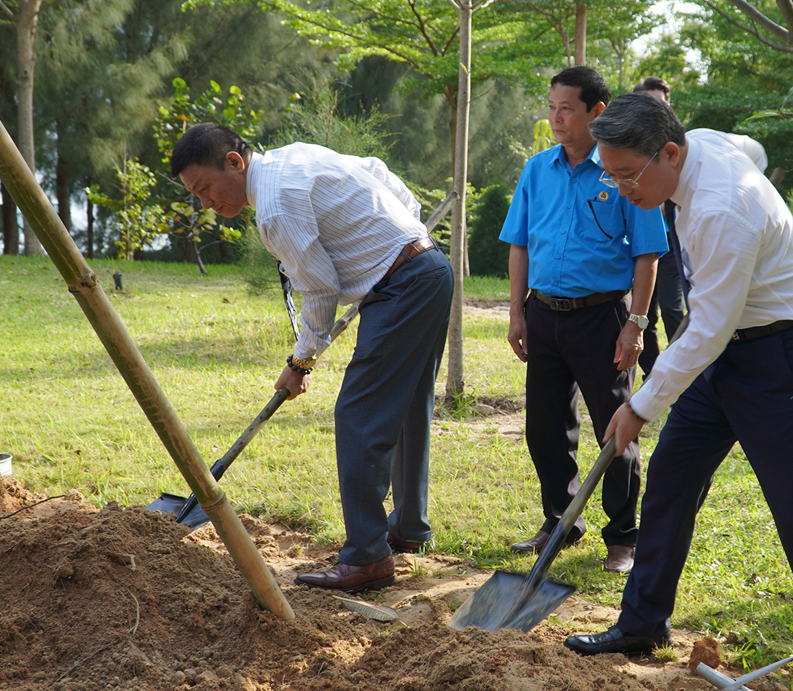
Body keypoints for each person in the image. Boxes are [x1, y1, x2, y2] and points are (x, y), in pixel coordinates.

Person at [564, 93, 793, 656]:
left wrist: (638, 406)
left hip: (782, 359)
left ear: (671, 153)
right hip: (726, 352)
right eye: (611, 176)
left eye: (629, 175)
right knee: (671, 483)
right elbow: (749, 147)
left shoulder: (721, 210)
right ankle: (640, 626)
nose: (624, 191)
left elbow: (705, 328)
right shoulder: (703, 146)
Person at [170, 123, 453, 594]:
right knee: (404, 407)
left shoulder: (275, 208)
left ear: (234, 163)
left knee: (358, 416)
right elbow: (376, 171)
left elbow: (319, 287)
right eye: (195, 195)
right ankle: (408, 527)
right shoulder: (290, 158)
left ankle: (367, 557)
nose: (206, 203)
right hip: (429, 271)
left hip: (403, 286)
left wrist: (301, 362)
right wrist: (404, 237)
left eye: (204, 188)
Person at [500, 67, 669, 574]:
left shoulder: (623, 170)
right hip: (544, 315)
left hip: (603, 318)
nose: (555, 117)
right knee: (544, 428)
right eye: (551, 107)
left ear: (597, 111)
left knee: (615, 427)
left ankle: (623, 536)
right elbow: (519, 243)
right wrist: (516, 313)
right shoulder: (537, 170)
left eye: (566, 108)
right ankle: (560, 519)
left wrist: (635, 324)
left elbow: (647, 254)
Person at [631, 77, 685, 377]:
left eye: (662, 103)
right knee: (645, 314)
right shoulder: (629, 147)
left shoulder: (678, 147)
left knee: (674, 309)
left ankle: (681, 373)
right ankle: (652, 374)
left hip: (674, 244)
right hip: (642, 248)